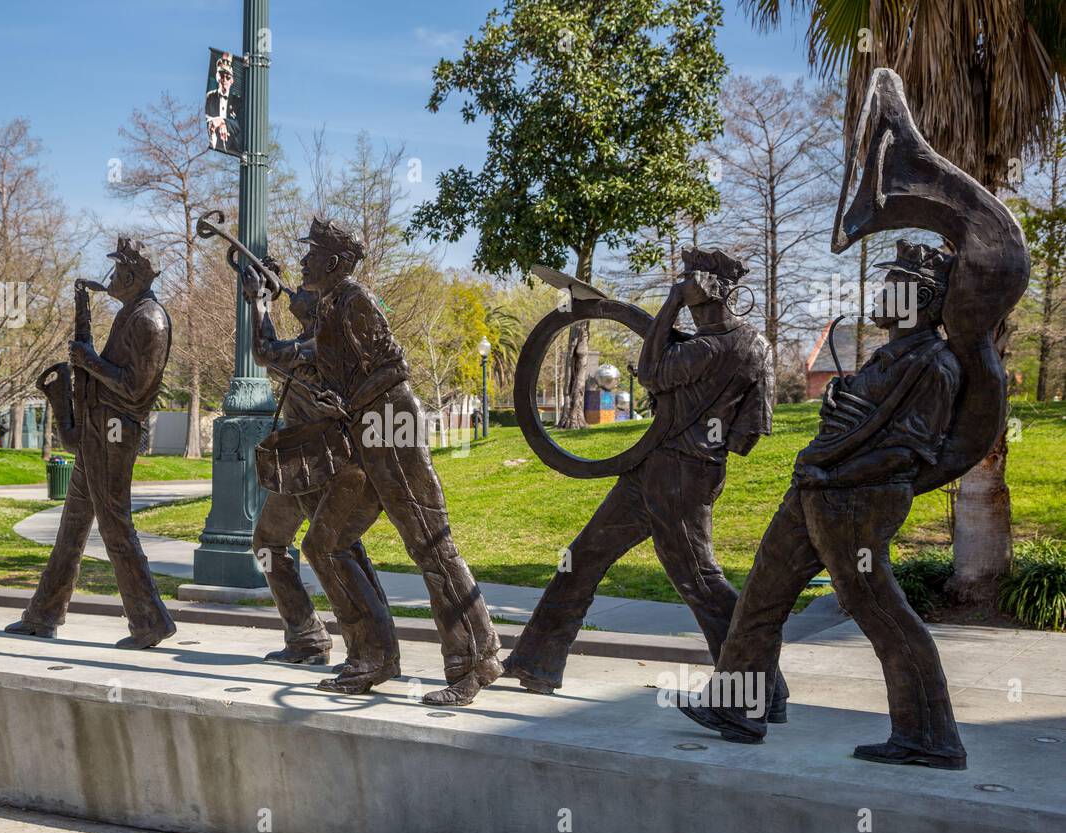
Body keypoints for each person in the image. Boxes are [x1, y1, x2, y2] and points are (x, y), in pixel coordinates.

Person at [677, 240, 968, 770]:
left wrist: (827, 468)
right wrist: (841, 402)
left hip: (857, 501)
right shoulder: (890, 356)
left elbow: (907, 452)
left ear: (922, 298)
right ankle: (739, 707)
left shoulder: (934, 364)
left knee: (875, 606)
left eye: (891, 285)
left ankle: (929, 734)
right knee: (762, 596)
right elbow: (868, 424)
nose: (879, 294)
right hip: (816, 490)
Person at [504, 247, 784, 712]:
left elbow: (653, 372)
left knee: (700, 581)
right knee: (583, 557)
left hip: (676, 475)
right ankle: (536, 662)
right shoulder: (756, 346)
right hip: (662, 469)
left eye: (686, 281)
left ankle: (758, 690)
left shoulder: (707, 347)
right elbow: (750, 431)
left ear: (706, 287)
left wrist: (671, 303)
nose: (682, 287)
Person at [240, 216, 503, 706]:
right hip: (364, 433)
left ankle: (475, 659)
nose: (303, 262)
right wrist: (265, 299)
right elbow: (283, 350)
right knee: (326, 544)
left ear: (334, 262)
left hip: (390, 428)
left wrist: (348, 400)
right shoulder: (331, 308)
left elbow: (393, 367)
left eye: (312, 254)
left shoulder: (355, 300)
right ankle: (372, 656)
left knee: (430, 544)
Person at [5, 237, 174, 649]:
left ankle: (149, 620)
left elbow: (136, 387)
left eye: (116, 273)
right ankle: (44, 614)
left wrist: (88, 362)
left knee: (115, 525)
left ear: (132, 277)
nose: (110, 280)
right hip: (99, 429)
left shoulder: (149, 320)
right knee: (72, 528)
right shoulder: (131, 313)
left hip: (115, 432)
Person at [250, 275, 394, 668]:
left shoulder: (322, 344)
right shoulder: (309, 341)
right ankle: (306, 635)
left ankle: (370, 646)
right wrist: (264, 299)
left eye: (302, 290)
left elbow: (264, 352)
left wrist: (259, 301)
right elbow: (274, 353)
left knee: (334, 553)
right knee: (266, 543)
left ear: (317, 308)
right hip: (296, 461)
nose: (294, 290)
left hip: (321, 463)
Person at [205, 53, 241, 151]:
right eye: (222, 76)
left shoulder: (237, 101)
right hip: (214, 142)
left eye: (228, 77)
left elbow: (240, 124)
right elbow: (206, 117)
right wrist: (216, 122)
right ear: (218, 78)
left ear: (232, 80)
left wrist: (223, 121)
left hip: (232, 146)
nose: (224, 80)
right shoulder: (210, 97)